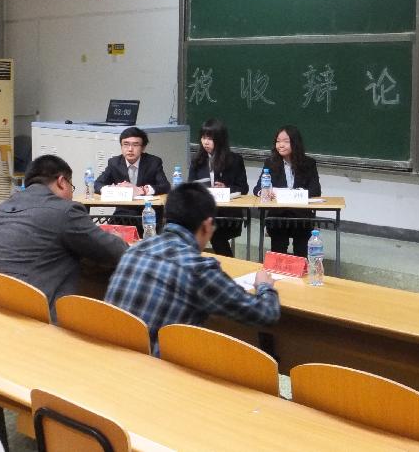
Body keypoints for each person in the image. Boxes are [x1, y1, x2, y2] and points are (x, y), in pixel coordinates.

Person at [105, 182, 280, 351]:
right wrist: (264, 286)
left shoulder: (134, 251)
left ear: (166, 218)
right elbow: (266, 314)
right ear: (206, 226)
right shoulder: (198, 270)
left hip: (110, 359)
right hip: (154, 367)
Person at [0, 154, 127, 308]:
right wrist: (117, 238)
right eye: (71, 187)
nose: (71, 195)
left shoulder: (2, 208)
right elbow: (114, 251)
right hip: (23, 304)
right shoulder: (65, 210)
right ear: (61, 182)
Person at [252, 125, 321, 257]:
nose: (280, 145)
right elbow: (257, 189)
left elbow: (315, 190)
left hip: (301, 216)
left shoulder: (308, 163)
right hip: (278, 216)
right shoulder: (270, 163)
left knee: (301, 253)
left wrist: (294, 192)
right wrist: (265, 192)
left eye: (285, 141)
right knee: (278, 251)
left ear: (295, 143)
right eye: (278, 141)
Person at [188, 118, 249, 256]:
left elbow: (243, 188)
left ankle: (229, 265)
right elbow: (191, 187)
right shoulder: (197, 160)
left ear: (220, 139)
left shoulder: (234, 160)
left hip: (227, 216)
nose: (205, 142)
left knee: (216, 235)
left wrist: (226, 188)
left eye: (210, 138)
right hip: (203, 214)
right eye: (203, 138)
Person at [94, 126, 170, 226]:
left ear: (143, 148)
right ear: (121, 146)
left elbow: (165, 186)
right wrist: (115, 189)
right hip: (123, 213)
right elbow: (97, 184)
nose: (130, 149)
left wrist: (143, 190)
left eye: (135, 145)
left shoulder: (153, 162)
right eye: (126, 144)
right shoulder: (114, 163)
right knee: (110, 229)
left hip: (148, 213)